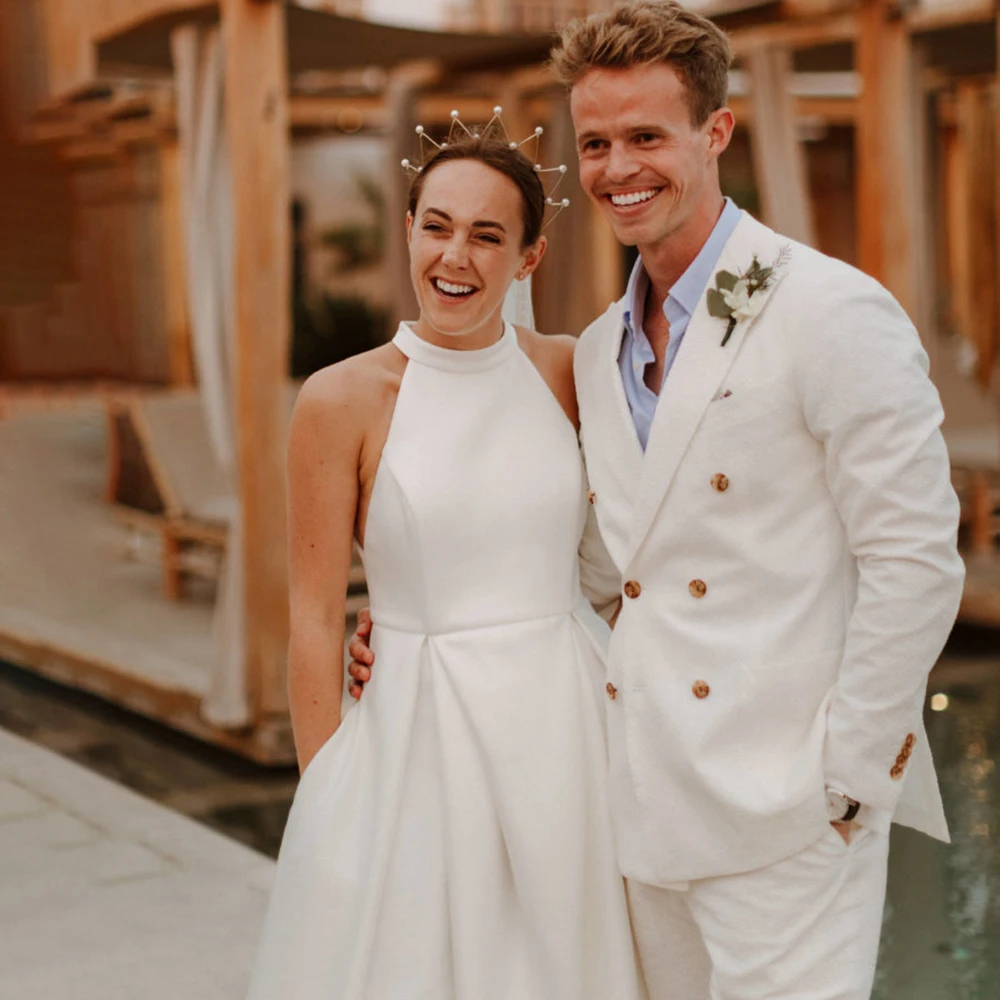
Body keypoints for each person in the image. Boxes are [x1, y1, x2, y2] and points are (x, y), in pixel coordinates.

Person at [349, 3, 966, 998]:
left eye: (646, 136)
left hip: (788, 813)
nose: (616, 166)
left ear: (714, 132)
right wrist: (432, 618)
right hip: (639, 804)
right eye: (595, 142)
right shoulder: (596, 350)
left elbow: (916, 560)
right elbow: (603, 566)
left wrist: (848, 778)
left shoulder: (831, 310)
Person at [244, 135, 641, 1000]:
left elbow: (630, 544)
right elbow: (312, 613)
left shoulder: (572, 371)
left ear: (529, 255)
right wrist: (330, 790)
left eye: (488, 236)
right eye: (438, 227)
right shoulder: (340, 398)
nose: (455, 257)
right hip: (417, 735)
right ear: (410, 233)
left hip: (567, 724)